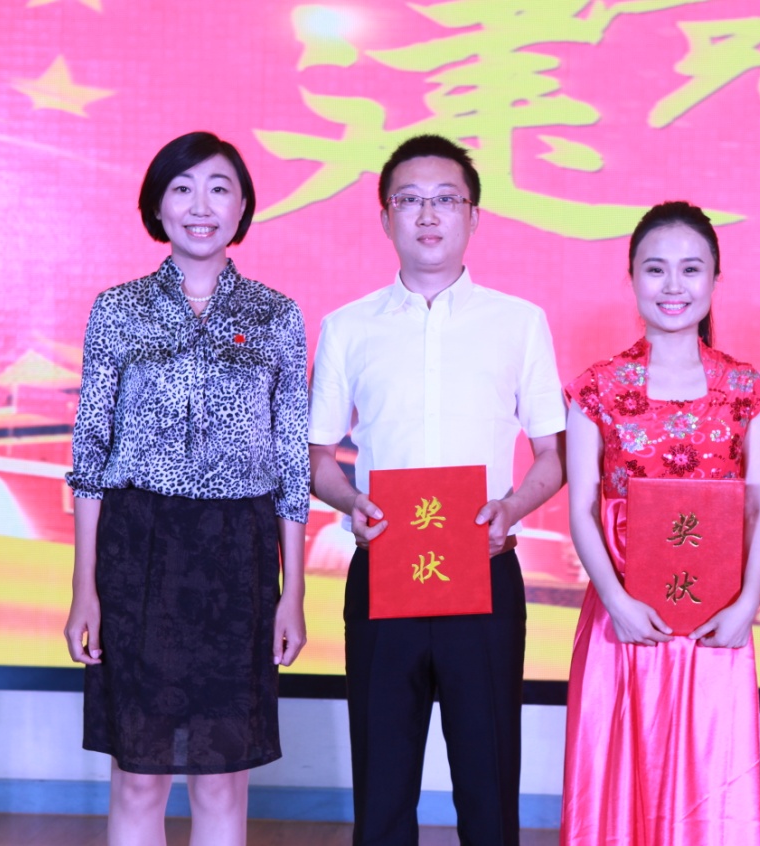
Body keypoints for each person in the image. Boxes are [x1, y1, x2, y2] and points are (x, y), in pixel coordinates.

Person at [308, 134, 566, 845]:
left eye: (446, 199)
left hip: (484, 573)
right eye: (410, 200)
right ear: (384, 216)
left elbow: (553, 455)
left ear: (473, 217)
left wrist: (512, 508)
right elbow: (317, 458)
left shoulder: (519, 323)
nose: (428, 215)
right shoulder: (347, 327)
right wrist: (349, 501)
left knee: (488, 787)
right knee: (383, 789)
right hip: (383, 571)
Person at [63, 131, 309, 846]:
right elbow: (90, 454)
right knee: (138, 774)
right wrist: (84, 588)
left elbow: (292, 464)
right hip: (138, 547)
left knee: (222, 775)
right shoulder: (118, 310)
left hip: (238, 552)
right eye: (182, 188)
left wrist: (292, 592)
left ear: (242, 208)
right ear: (157, 207)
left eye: (219, 188)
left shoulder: (276, 315)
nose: (201, 206)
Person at [560, 201, 760, 845]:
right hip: (621, 617)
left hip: (717, 620)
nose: (673, 286)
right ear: (631, 276)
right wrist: (618, 603)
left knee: (708, 785)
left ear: (715, 278)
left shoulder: (746, 389)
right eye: (656, 269)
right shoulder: (597, 388)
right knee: (619, 784)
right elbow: (581, 507)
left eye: (691, 269)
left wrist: (747, 604)